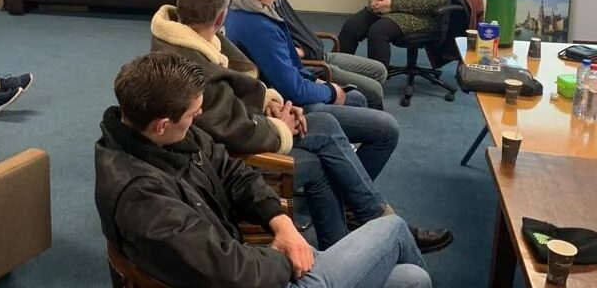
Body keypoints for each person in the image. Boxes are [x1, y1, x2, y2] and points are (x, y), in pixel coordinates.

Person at [150, 0, 451, 251]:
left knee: (325, 140)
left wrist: (271, 103)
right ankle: (377, 223)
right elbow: (231, 129)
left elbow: (239, 88)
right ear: (221, 16)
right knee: (326, 140)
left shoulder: (184, 36)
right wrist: (281, 125)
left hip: (252, 122)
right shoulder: (197, 66)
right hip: (235, 154)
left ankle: (352, 237)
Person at [95, 51, 432, 288]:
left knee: (413, 280)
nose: (198, 117)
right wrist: (287, 258)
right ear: (161, 124)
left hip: (245, 264)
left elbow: (232, 172)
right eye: (193, 114)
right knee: (393, 228)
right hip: (245, 276)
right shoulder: (142, 199)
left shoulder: (161, 136)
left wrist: (280, 222)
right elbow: (229, 271)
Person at [250, 0, 387, 110]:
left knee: (379, 71)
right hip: (314, 64)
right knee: (373, 91)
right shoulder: (263, 9)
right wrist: (300, 51)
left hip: (319, 54)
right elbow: (287, 66)